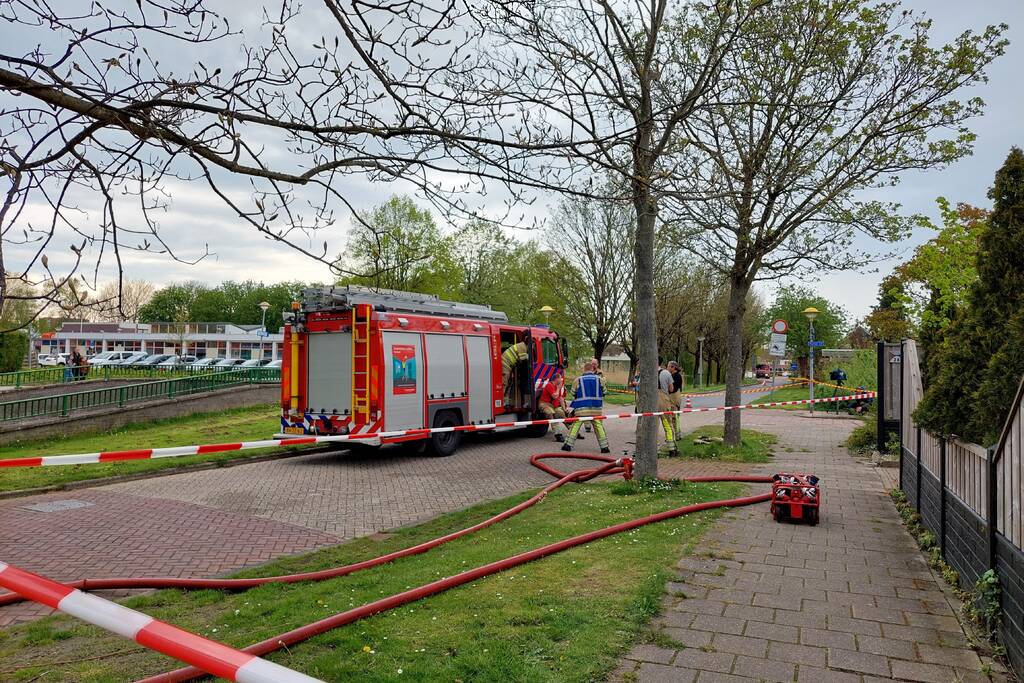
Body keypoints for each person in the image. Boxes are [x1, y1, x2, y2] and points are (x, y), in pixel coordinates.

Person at [562, 360, 609, 453]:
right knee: (599, 426)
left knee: (576, 425)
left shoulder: (578, 380)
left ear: (584, 369)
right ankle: (605, 447)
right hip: (596, 409)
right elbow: (605, 392)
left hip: (581, 409)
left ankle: (567, 445)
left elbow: (572, 393)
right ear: (592, 369)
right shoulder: (600, 379)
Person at [537, 372, 569, 442]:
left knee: (561, 414)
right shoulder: (549, 385)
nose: (561, 380)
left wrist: (564, 409)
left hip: (553, 406)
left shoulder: (558, 387)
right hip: (545, 404)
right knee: (551, 414)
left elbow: (560, 398)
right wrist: (558, 388)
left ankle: (573, 432)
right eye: (560, 378)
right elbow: (555, 396)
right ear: (557, 379)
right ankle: (558, 435)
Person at [658, 362, 679, 456]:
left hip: (650, 401)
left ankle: (653, 449)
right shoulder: (666, 373)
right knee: (667, 424)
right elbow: (671, 389)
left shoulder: (647, 373)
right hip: (663, 401)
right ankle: (672, 449)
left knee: (652, 426)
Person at [501, 340, 528, 405]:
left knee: (509, 383)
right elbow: (524, 362)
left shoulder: (521, 345)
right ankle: (501, 402)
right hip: (505, 364)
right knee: (504, 383)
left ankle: (505, 401)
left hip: (507, 364)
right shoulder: (523, 347)